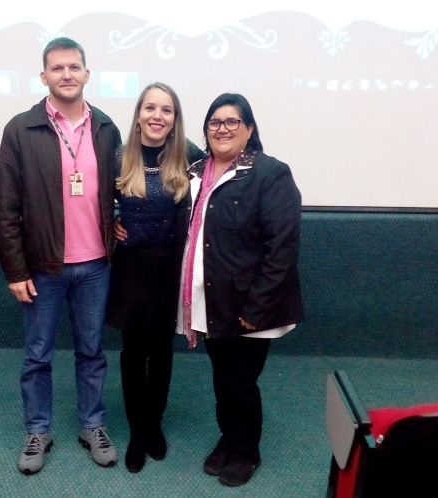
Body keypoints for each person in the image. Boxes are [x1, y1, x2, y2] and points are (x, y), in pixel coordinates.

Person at [0, 37, 122, 475]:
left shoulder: (106, 128)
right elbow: (6, 207)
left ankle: (92, 424)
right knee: (37, 356)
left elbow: (119, 189)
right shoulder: (20, 130)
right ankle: (37, 430)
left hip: (96, 265)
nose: (67, 74)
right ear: (44, 76)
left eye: (74, 67)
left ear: (87, 73)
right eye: (57, 68)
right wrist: (15, 270)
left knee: (92, 351)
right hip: (42, 268)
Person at [176, 93, 303, 487]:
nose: (222, 129)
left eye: (232, 121)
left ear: (249, 129)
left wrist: (257, 308)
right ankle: (229, 439)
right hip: (210, 300)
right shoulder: (196, 171)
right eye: (215, 122)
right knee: (222, 376)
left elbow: (282, 247)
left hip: (249, 305)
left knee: (240, 381)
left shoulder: (270, 174)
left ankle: (246, 451)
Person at [106, 82, 205, 473]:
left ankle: (153, 425)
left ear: (174, 119)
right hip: (131, 269)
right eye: (150, 108)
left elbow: (213, 192)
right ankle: (136, 431)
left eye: (166, 110)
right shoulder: (118, 157)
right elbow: (92, 205)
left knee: (162, 351)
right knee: (133, 353)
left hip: (170, 268)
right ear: (138, 115)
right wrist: (110, 224)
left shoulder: (189, 155)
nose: (157, 116)